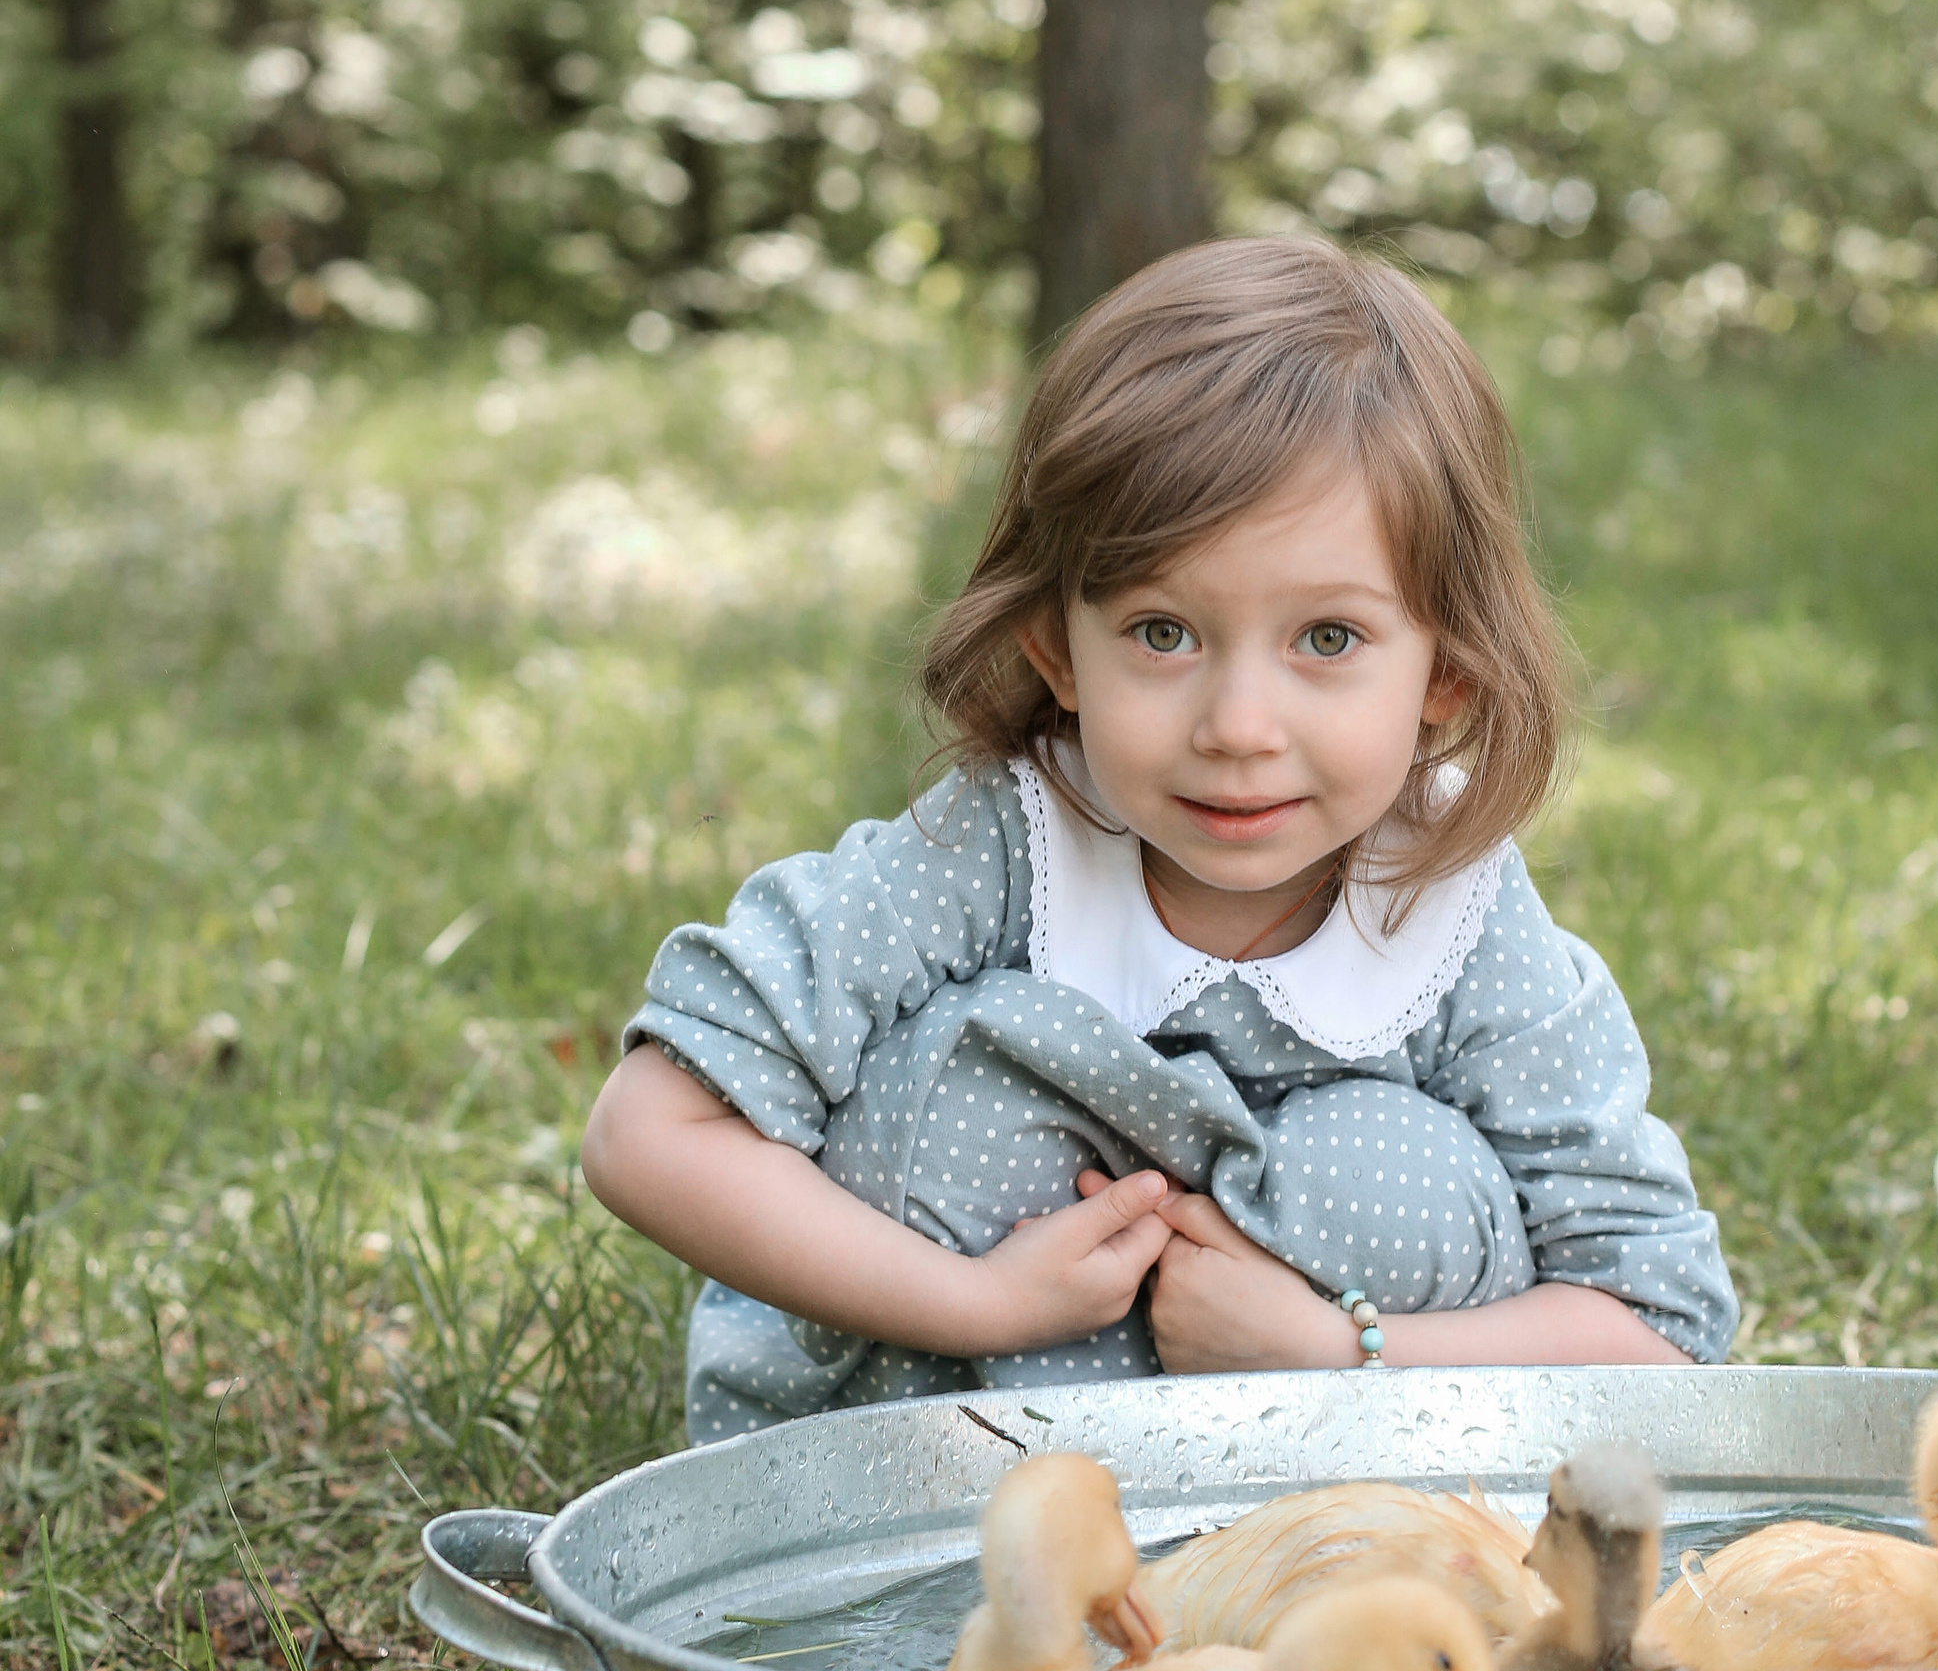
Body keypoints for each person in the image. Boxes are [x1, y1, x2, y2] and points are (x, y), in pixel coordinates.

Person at [580, 241, 1736, 1442]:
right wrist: (976, 1303)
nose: (1239, 729)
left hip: (1323, 1499)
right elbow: (648, 1134)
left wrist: (1340, 1353)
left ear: (1443, 674)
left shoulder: (1455, 918)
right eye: (1163, 632)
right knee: (963, 1073)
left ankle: (1276, 1576)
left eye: (1327, 640)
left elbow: (1657, 1323)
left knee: (1394, 1163)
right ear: (1053, 650)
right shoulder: (995, 851)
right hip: (935, 1481)